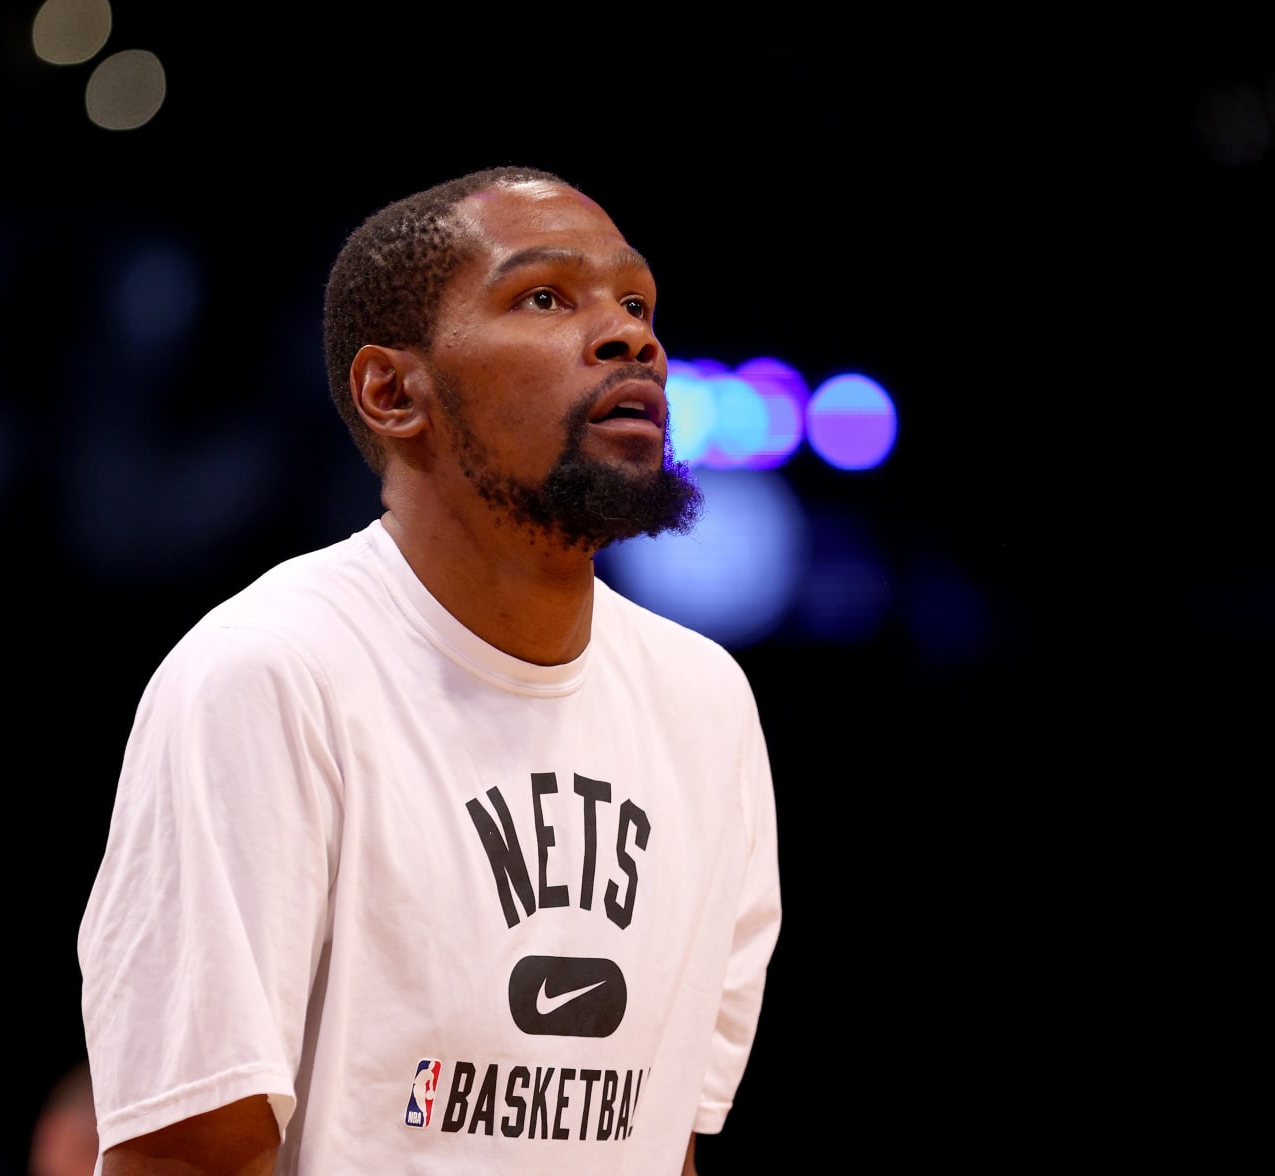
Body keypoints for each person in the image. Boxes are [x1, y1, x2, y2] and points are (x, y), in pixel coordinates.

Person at [77, 164, 783, 1175]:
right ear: (392, 391)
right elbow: (184, 1155)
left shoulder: (706, 701)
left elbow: (661, 1139)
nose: (633, 336)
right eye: (545, 297)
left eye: (636, 302)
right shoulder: (271, 675)